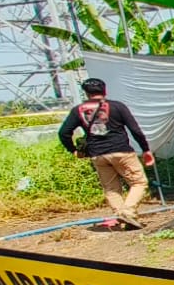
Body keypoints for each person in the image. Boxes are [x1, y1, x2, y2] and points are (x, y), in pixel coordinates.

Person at [58, 78, 153, 229]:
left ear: (86, 93)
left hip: (98, 154)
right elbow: (135, 130)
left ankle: (123, 216)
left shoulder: (78, 110)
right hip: (121, 151)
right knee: (139, 183)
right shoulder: (117, 106)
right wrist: (146, 149)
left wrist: (73, 150)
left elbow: (64, 132)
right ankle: (127, 213)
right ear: (105, 91)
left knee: (111, 188)